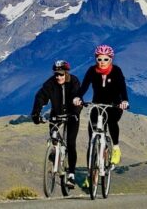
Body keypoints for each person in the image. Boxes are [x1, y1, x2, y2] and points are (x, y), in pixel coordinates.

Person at [72, 44, 129, 166]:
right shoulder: (92, 71)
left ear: (111, 59)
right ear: (96, 59)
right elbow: (84, 86)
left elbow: (122, 87)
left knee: (112, 121)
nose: (102, 62)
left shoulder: (116, 71)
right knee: (92, 138)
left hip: (114, 105)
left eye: (105, 59)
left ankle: (116, 148)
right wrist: (78, 97)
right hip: (97, 104)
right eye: (99, 59)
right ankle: (90, 174)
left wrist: (124, 101)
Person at [31, 60, 82, 188]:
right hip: (56, 114)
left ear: (66, 73)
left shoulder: (74, 81)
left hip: (72, 114)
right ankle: (54, 154)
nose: (58, 77)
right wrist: (36, 114)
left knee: (70, 143)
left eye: (61, 74)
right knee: (53, 137)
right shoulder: (50, 83)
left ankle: (71, 175)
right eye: (56, 74)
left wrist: (76, 112)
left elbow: (78, 98)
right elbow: (40, 97)